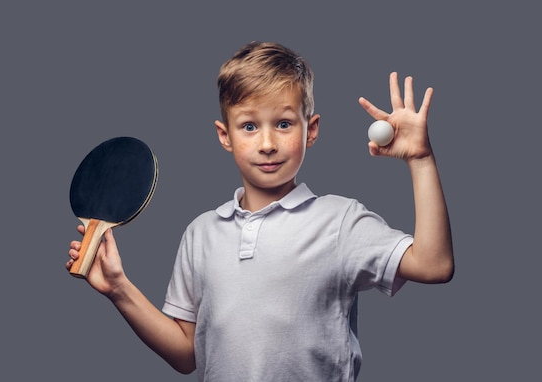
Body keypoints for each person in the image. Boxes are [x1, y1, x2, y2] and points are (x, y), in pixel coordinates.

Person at [66, 41, 454, 381]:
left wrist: (420, 159)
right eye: (249, 126)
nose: (267, 143)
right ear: (225, 136)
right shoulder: (201, 233)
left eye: (284, 123)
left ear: (311, 129)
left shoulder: (340, 222)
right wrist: (119, 289)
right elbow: (187, 356)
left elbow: (434, 265)